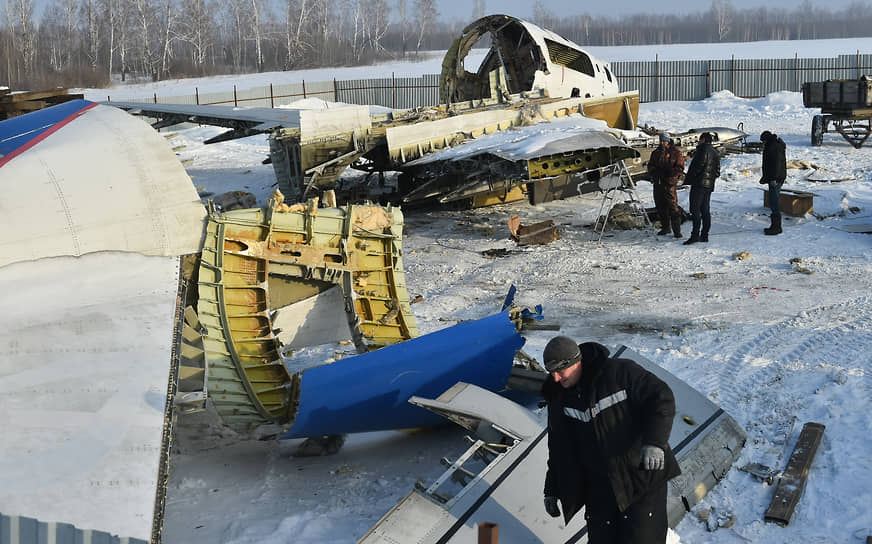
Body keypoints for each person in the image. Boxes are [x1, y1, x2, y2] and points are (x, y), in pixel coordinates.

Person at [541, 336, 680, 544]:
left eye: (560, 371)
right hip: (599, 489)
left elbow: (661, 398)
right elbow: (559, 449)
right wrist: (552, 489)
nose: (556, 379)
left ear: (575, 362)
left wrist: (655, 442)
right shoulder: (559, 398)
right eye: (551, 373)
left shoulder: (619, 373)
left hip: (638, 480)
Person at [683, 132, 720, 245]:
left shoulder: (702, 150)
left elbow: (698, 167)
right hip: (709, 185)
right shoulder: (715, 152)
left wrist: (690, 178)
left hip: (699, 184)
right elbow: (717, 172)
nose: (698, 141)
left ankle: (695, 235)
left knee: (695, 210)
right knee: (705, 210)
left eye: (699, 139)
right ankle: (704, 235)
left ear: (703, 140)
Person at [646, 133, 686, 238]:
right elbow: (650, 165)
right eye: (661, 141)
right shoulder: (656, 153)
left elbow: (680, 168)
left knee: (673, 207)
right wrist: (654, 172)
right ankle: (665, 227)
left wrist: (671, 172)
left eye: (664, 141)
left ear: (668, 141)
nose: (662, 143)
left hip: (669, 184)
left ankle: (677, 230)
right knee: (660, 206)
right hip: (658, 183)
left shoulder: (676, 153)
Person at [759, 130, 787, 235]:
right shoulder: (776, 145)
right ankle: (775, 225)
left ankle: (776, 227)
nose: (763, 144)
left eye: (763, 142)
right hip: (777, 177)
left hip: (775, 178)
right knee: (773, 201)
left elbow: (776, 164)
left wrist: (773, 178)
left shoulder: (772, 147)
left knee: (774, 202)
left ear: (766, 140)